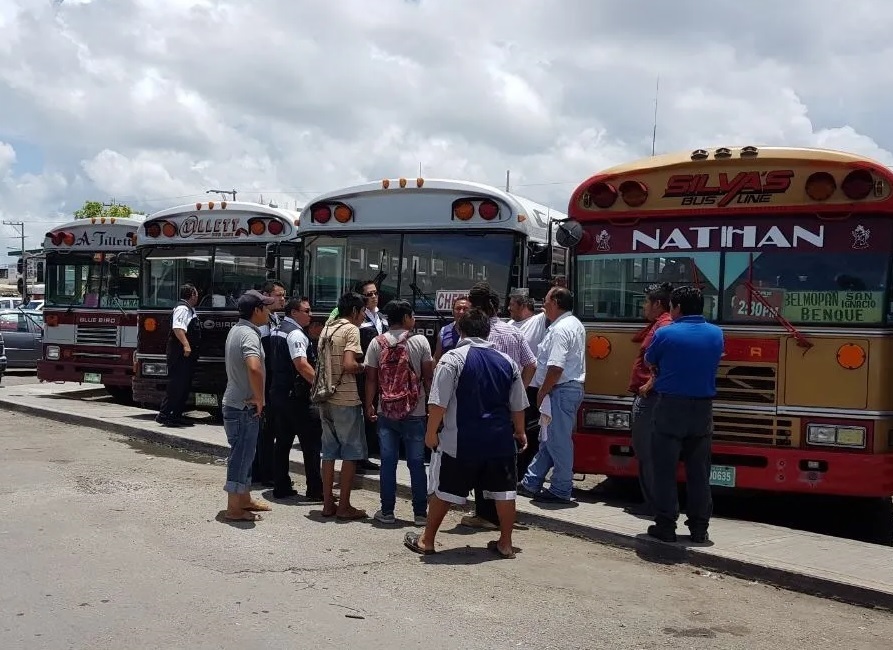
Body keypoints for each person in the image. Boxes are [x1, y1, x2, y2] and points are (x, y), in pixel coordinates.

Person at [403, 309, 528, 558]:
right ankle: (505, 543)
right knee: (505, 493)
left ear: (460, 330)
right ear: (487, 331)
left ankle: (427, 541)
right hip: (500, 442)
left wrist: (431, 433)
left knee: (445, 491)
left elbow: (438, 403)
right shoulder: (508, 362)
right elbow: (518, 405)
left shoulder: (452, 359)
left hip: (461, 442)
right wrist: (520, 431)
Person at [644, 286, 724, 544]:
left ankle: (666, 525)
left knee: (664, 470)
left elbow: (649, 360)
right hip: (702, 409)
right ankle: (699, 528)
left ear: (677, 308)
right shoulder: (716, 333)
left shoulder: (666, 333)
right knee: (699, 472)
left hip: (670, 407)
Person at [461, 282, 536, 531]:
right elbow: (531, 364)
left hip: (481, 405)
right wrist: (519, 391)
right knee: (505, 463)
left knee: (481, 460)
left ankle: (485, 514)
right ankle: (505, 517)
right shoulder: (513, 331)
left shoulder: (477, 335)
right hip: (509, 407)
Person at [364, 299, 433, 526]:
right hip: (415, 410)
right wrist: (431, 405)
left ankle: (387, 512)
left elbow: (371, 379)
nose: (414, 319)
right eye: (412, 315)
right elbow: (428, 377)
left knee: (388, 462)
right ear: (405, 318)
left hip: (386, 410)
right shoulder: (420, 341)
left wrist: (369, 404)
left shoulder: (377, 342)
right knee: (416, 463)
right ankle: (420, 514)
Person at [519, 287, 586, 503]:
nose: (543, 305)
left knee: (558, 442)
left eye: (546, 300)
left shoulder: (560, 329)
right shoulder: (572, 323)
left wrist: (542, 391)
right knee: (548, 439)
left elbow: (556, 367)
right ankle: (531, 481)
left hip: (559, 390)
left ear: (556, 302)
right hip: (564, 390)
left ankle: (561, 489)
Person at [221, 289, 277, 522]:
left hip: (235, 403)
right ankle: (234, 508)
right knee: (241, 455)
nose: (270, 312)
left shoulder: (238, 330)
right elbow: (254, 367)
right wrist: (260, 398)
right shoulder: (249, 335)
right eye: (266, 307)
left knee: (245, 453)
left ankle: (244, 498)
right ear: (256, 310)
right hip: (243, 407)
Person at [317, 292, 369, 520]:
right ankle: (344, 506)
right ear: (355, 311)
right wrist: (363, 366)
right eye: (363, 311)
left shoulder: (327, 328)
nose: (364, 316)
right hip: (346, 399)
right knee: (350, 453)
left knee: (328, 452)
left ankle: (328, 503)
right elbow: (349, 364)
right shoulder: (351, 330)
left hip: (325, 396)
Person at [625, 282, 674, 517]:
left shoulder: (664, 327)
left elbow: (666, 362)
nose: (644, 306)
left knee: (648, 453)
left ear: (658, 304)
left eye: (646, 302)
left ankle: (654, 504)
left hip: (651, 398)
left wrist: (650, 384)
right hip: (650, 396)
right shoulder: (658, 325)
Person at [268, 297, 323, 500]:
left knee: (282, 443)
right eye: (306, 311)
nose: (310, 315)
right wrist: (320, 386)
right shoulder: (295, 334)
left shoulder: (277, 330)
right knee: (311, 445)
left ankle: (280, 486)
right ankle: (315, 490)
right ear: (293, 312)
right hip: (298, 398)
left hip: (279, 394)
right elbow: (301, 364)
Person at [508, 293, 548, 477]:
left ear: (523, 306)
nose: (508, 308)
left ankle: (524, 471)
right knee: (513, 429)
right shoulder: (508, 325)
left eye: (512, 304)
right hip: (512, 386)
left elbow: (550, 309)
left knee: (529, 430)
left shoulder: (538, 321)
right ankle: (512, 469)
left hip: (531, 387)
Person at [252, 280, 288, 486]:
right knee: (265, 430)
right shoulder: (262, 322)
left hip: (273, 382)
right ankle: (263, 472)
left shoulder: (274, 318)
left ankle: (264, 469)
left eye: (284, 295)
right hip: (265, 382)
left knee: (270, 429)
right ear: (266, 296)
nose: (282, 299)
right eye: (278, 295)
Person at [156, 283, 200, 427]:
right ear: (192, 295)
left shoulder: (189, 308)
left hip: (187, 355)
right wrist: (186, 345)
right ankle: (165, 415)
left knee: (184, 385)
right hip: (180, 354)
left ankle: (176, 415)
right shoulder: (182, 308)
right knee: (177, 385)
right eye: (196, 293)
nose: (198, 296)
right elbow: (178, 328)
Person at [356, 279, 388, 472]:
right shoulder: (359, 319)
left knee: (374, 411)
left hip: (380, 372)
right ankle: (358, 457)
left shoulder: (382, 317)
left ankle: (368, 452)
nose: (374, 297)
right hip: (363, 372)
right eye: (369, 294)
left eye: (375, 293)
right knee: (362, 412)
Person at [433, 296, 470, 362]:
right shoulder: (444, 331)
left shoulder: (478, 331)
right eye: (458, 309)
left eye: (465, 309)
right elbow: (436, 358)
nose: (461, 312)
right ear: (453, 312)